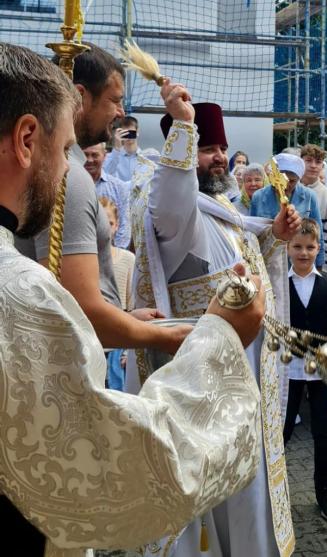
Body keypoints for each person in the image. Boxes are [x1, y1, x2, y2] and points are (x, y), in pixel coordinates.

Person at [0, 41, 265, 557]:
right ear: (29, 139)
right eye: (66, 150)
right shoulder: (17, 292)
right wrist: (218, 339)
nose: (69, 174)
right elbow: (113, 469)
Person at [130, 90, 300, 557]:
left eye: (221, 148)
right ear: (182, 155)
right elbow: (172, 200)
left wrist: (274, 238)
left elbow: (240, 271)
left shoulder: (222, 212)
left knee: (244, 491)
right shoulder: (175, 215)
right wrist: (183, 126)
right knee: (219, 496)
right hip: (208, 385)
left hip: (242, 380)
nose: (219, 157)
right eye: (208, 149)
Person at [14, 42, 191, 357]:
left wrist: (122, 319)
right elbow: (79, 309)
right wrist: (162, 337)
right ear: (80, 97)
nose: (121, 113)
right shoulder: (69, 178)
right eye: (115, 100)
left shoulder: (51, 169)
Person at [282, 219, 327, 521]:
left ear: (318, 248)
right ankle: (276, 492)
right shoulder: (279, 286)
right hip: (287, 372)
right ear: (287, 248)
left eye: (310, 247)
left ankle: (325, 490)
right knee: (280, 432)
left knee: (324, 432)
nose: (304, 253)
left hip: (322, 371)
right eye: (297, 247)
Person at [251, 152, 325, 268]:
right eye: (283, 180)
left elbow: (318, 233)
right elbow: (252, 235)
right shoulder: (258, 197)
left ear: (298, 179)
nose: (286, 185)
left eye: (292, 181)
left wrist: (319, 264)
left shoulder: (310, 196)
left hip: (299, 262)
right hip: (269, 259)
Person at [98, 197, 135, 391]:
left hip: (117, 345)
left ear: (117, 225)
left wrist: (130, 350)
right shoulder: (85, 261)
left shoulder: (128, 260)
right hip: (93, 344)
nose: (105, 228)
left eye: (109, 223)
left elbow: (133, 306)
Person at [83, 142, 132, 249]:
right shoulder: (71, 185)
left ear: (105, 156)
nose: (89, 160)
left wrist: (115, 257)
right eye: (85, 155)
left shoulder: (119, 188)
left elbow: (125, 226)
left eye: (95, 155)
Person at [301, 144, 327, 273]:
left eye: (318, 162)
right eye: (308, 161)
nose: (313, 165)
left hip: (315, 265)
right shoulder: (289, 191)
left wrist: (323, 269)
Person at [103, 116, 154, 183]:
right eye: (125, 133)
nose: (129, 136)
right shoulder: (111, 156)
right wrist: (117, 147)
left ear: (137, 132)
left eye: (131, 133)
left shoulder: (148, 157)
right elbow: (105, 175)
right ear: (119, 133)